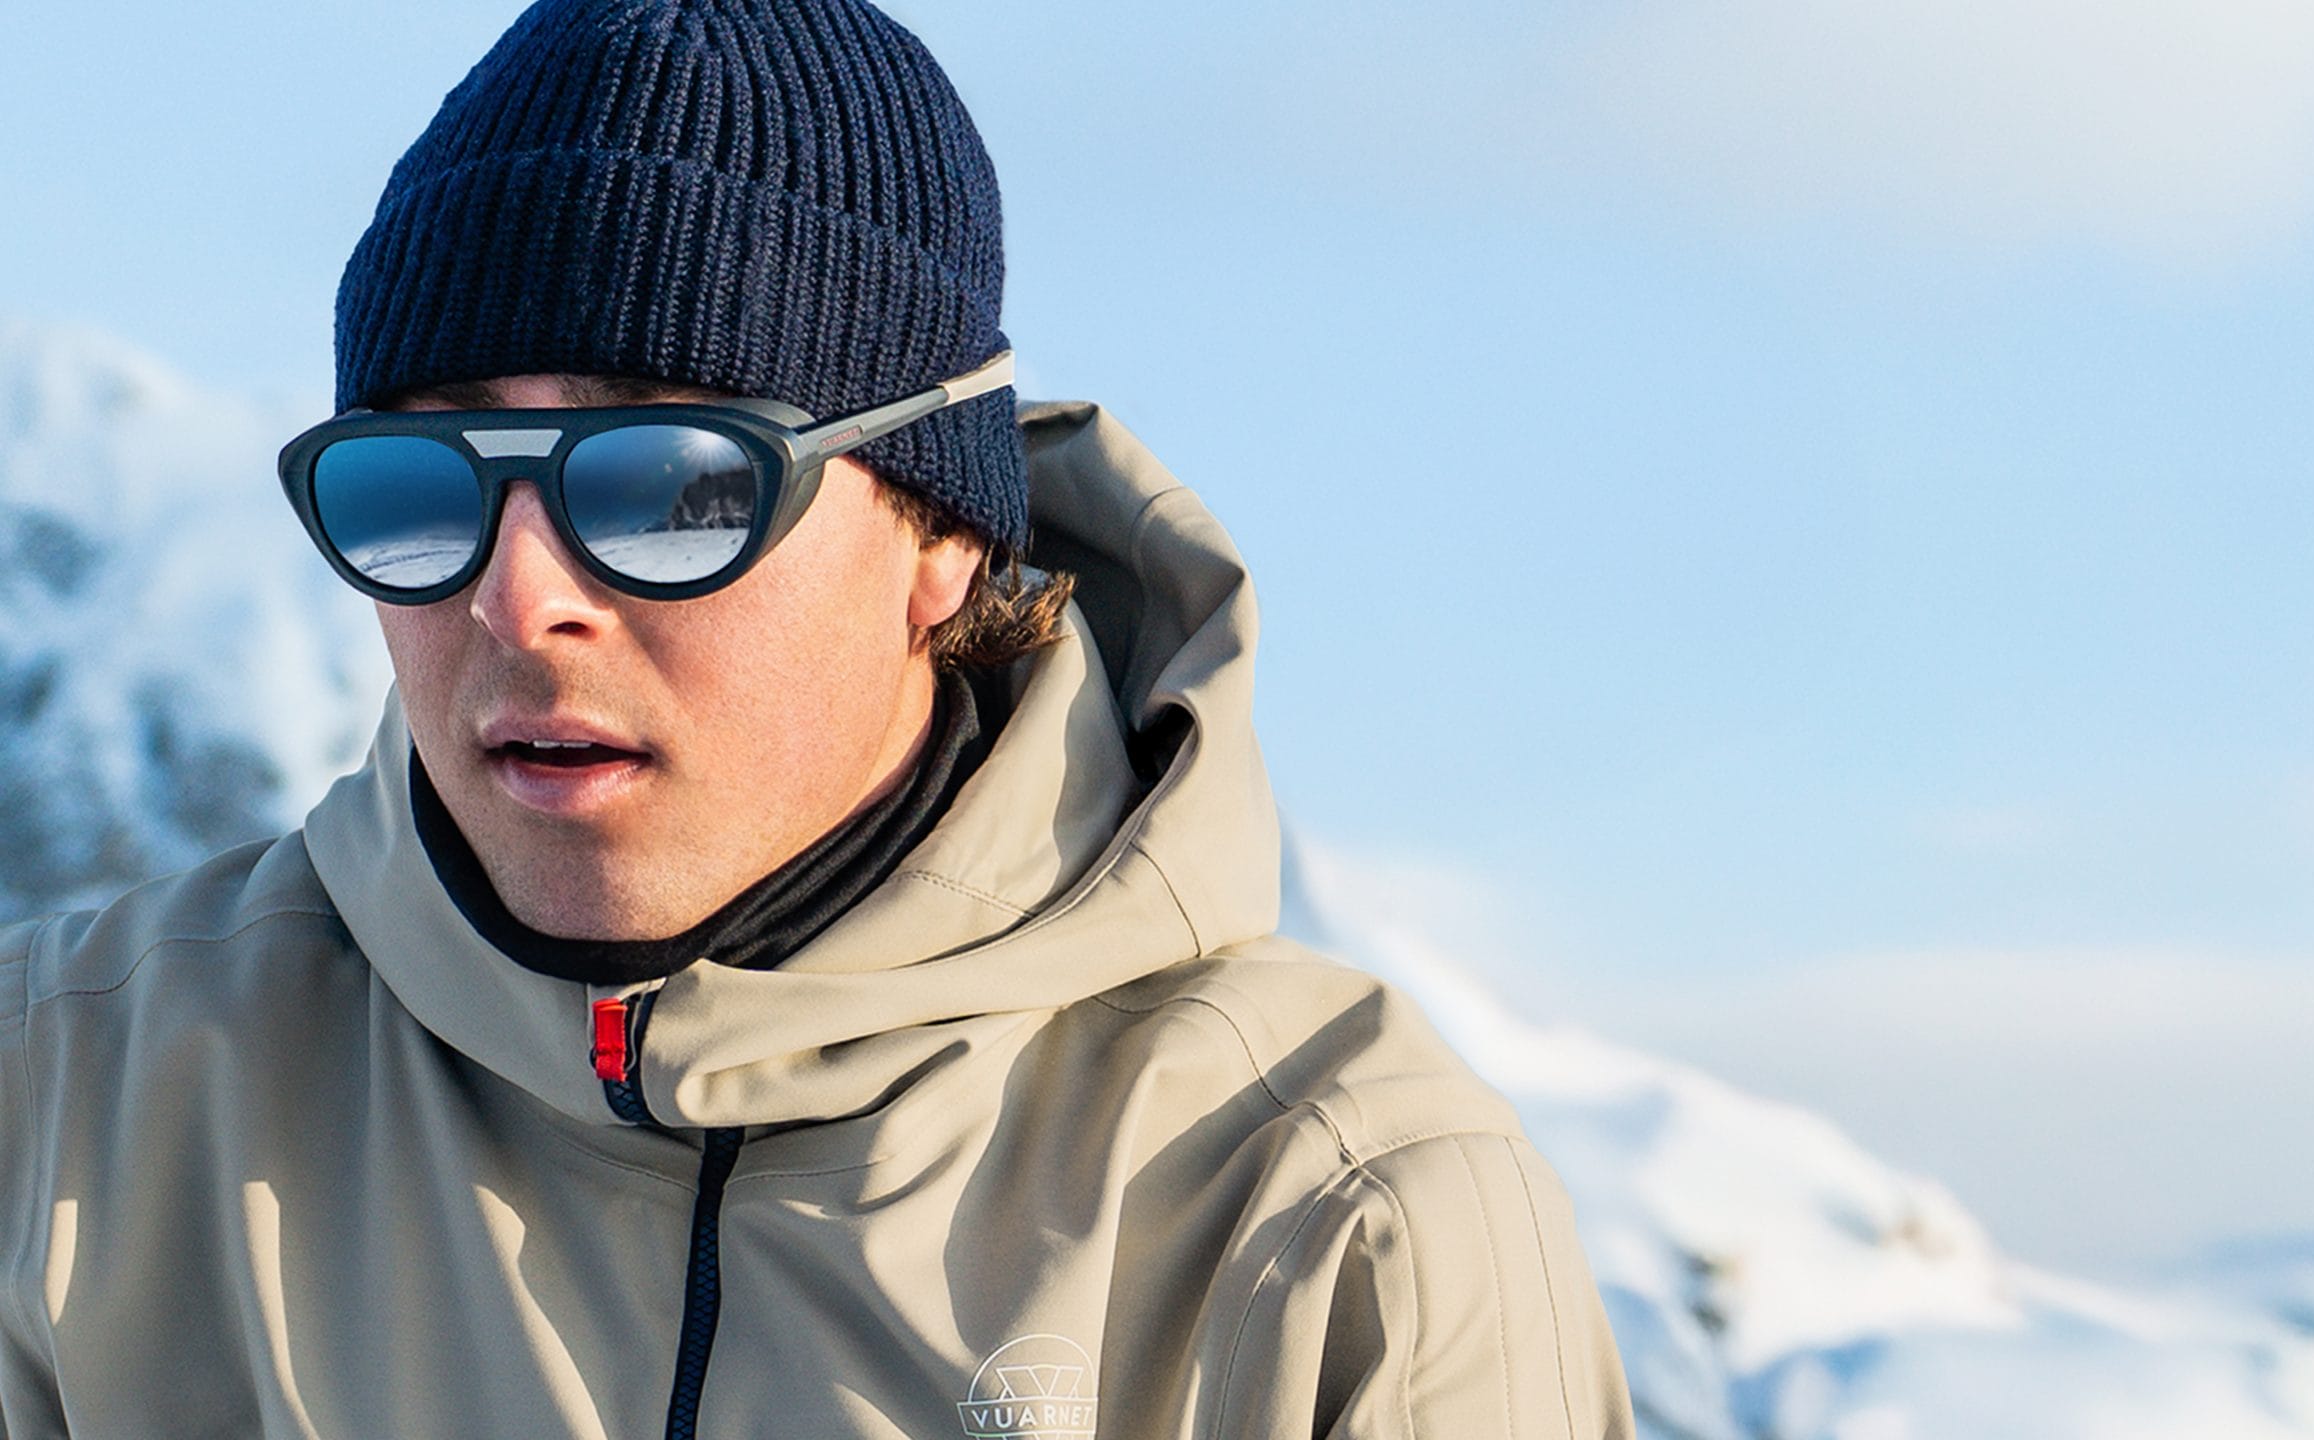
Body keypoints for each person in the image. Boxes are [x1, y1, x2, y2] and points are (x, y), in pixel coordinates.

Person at [0, 1, 1636, 1435]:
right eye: (421, 485)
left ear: (941, 538)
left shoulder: (1331, 1214)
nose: (518, 597)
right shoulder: (64, 1106)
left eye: (672, 485)